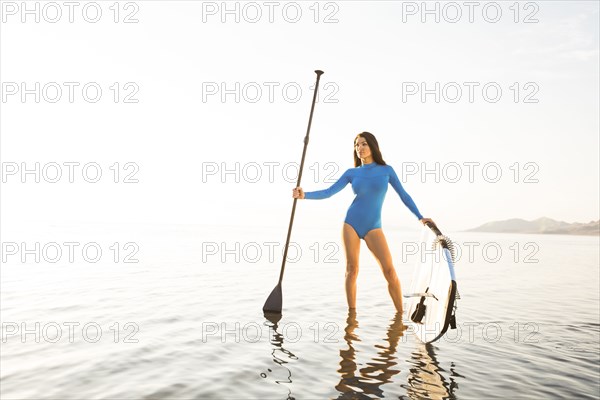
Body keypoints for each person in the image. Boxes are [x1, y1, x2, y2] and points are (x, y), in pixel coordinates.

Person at [292, 132, 434, 314]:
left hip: (373, 226)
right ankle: (352, 317)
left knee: (390, 272)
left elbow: (404, 195)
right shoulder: (352, 173)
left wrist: (420, 216)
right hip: (351, 223)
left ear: (373, 146)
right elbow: (329, 192)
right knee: (352, 270)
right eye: (356, 145)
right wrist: (305, 195)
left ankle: (401, 316)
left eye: (363, 144)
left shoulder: (386, 170)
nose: (360, 148)